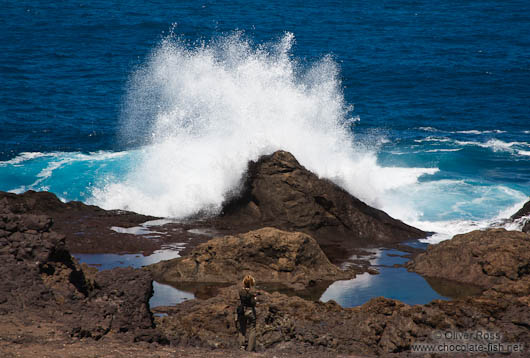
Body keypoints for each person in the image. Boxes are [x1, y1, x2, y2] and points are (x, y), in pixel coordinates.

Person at [236, 274, 257, 351]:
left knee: (242, 329)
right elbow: (253, 303)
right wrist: (254, 298)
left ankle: (242, 347)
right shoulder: (252, 293)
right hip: (250, 311)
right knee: (252, 329)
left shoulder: (241, 291)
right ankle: (250, 349)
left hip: (242, 311)